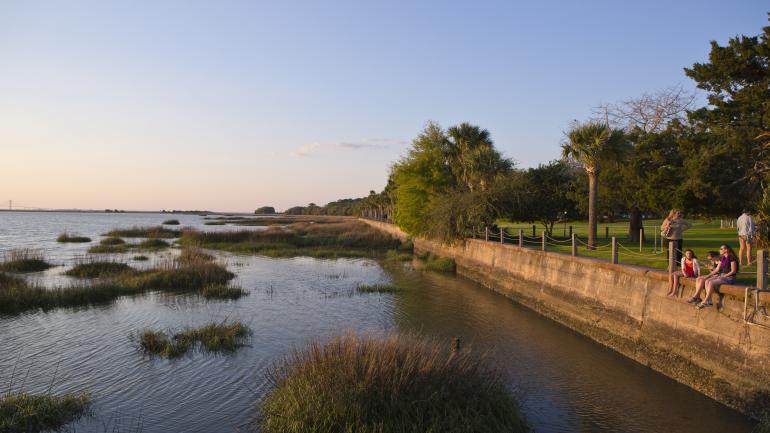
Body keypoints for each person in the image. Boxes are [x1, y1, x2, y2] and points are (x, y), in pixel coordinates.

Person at [697, 245, 739, 309]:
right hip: (722, 276)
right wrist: (707, 276)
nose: (720, 250)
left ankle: (705, 301)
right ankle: (709, 301)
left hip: (730, 278)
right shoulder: (722, 258)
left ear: (726, 250)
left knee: (711, 283)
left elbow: (733, 271)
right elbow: (717, 270)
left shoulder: (731, 258)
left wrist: (724, 276)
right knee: (707, 281)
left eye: (721, 249)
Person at [661, 209, 692, 289]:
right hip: (669, 238)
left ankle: (677, 267)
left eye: (680, 213)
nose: (679, 214)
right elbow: (661, 228)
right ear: (673, 214)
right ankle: (669, 266)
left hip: (678, 239)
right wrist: (667, 226)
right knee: (669, 253)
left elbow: (690, 225)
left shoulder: (681, 220)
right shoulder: (668, 220)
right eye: (678, 213)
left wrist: (682, 230)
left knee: (678, 254)